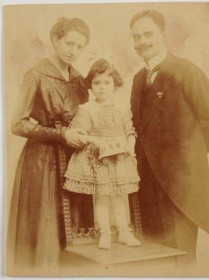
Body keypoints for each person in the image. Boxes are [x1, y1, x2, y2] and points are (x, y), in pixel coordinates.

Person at [129, 10, 209, 262]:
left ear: (163, 34)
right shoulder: (139, 79)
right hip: (146, 185)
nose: (142, 42)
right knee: (152, 260)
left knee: (179, 262)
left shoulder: (187, 72)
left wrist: (186, 156)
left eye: (148, 34)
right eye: (136, 37)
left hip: (180, 188)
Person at [7, 17, 94, 273]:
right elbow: (18, 124)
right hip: (42, 164)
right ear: (55, 40)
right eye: (69, 43)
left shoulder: (79, 79)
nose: (73, 51)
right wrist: (60, 134)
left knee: (75, 235)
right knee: (45, 233)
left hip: (74, 163)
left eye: (80, 46)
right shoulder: (36, 73)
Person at [63, 58, 141, 249]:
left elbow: (130, 130)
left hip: (117, 158)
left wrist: (130, 145)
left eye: (107, 83)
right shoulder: (87, 109)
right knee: (101, 198)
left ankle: (123, 232)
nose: (102, 87)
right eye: (97, 83)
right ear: (90, 85)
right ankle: (104, 233)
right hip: (97, 160)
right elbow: (80, 132)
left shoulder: (122, 108)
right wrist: (95, 140)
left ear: (115, 85)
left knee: (118, 197)